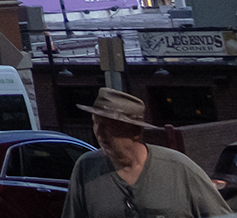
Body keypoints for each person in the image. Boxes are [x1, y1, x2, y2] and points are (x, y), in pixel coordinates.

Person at [60, 88, 225, 218]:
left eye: (109, 126)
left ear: (136, 131)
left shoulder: (179, 168)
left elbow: (221, 215)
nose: (99, 133)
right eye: (96, 123)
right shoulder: (86, 168)